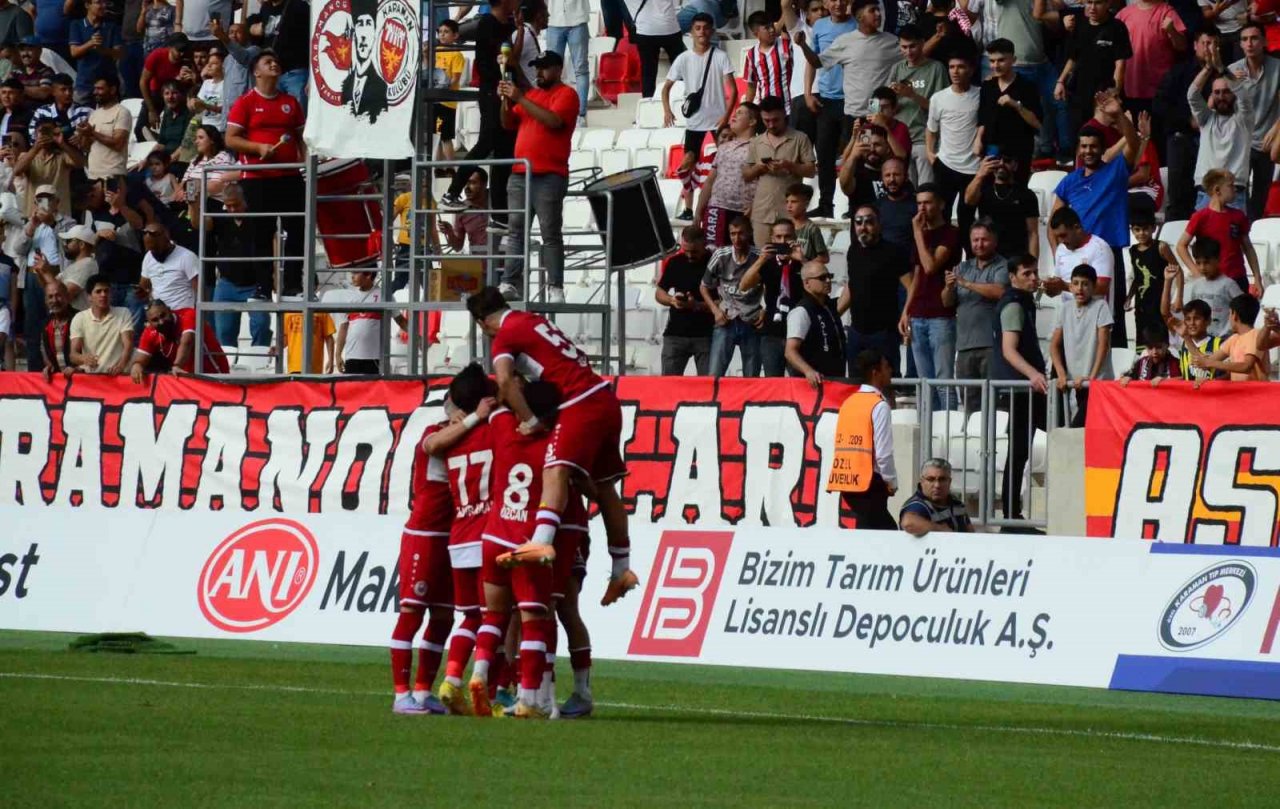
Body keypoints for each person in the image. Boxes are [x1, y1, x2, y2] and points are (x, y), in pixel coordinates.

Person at [464, 286, 638, 607]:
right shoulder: (531, 319)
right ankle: (621, 569)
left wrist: (529, 419)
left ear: (483, 322)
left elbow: (503, 381)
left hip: (580, 403)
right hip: (604, 397)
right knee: (605, 489)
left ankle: (541, 542)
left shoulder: (505, 335)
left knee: (554, 470)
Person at [472, 380, 582, 719]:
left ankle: (477, 674)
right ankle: (530, 699)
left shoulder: (504, 426)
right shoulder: (555, 445)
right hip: (526, 545)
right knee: (536, 620)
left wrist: (515, 391)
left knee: (494, 615)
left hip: (493, 538)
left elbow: (501, 391)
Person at [422, 364, 498, 715]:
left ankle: (451, 679)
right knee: (494, 615)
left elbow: (431, 445)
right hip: (490, 535)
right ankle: (480, 676)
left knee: (468, 617)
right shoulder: (495, 431)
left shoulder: (451, 438)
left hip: (460, 535)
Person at [1050, 97, 1141, 345]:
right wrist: (1059, 252)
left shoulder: (1116, 170)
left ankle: (1111, 371)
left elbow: (1134, 143)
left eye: (1093, 146)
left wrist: (1119, 115)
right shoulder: (1071, 180)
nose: (1088, 151)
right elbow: (1054, 219)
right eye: (1084, 146)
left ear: (1102, 149)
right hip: (1077, 252)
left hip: (1108, 252)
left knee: (1111, 315)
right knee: (1076, 314)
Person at [386, 408, 457, 716]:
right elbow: (432, 446)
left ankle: (423, 690)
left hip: (455, 537)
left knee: (444, 617)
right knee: (412, 612)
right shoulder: (433, 432)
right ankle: (401, 695)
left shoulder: (472, 436)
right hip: (424, 535)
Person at [497, 49, 577, 302]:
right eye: (537, 68)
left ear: (558, 69)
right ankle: (510, 282)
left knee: (549, 232)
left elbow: (553, 122)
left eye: (544, 68)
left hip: (549, 174)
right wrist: (505, 101)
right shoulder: (532, 94)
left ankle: (555, 286)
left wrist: (519, 98)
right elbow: (507, 123)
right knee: (516, 231)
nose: (539, 72)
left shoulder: (567, 94)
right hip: (521, 172)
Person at [225, 49, 305, 296]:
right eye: (267, 62)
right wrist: (257, 147)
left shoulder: (291, 102)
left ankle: (293, 285)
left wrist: (306, 164)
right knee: (261, 233)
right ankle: (262, 286)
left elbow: (302, 138)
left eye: (276, 61)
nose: (274, 64)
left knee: (298, 229)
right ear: (256, 72)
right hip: (258, 178)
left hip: (289, 176)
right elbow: (230, 139)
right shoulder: (245, 102)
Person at [438, 0, 516, 221]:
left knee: (504, 151)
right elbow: (489, 62)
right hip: (492, 93)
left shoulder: (506, 24)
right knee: (487, 143)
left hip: (499, 91)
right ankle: (452, 192)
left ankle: (500, 216)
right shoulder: (487, 24)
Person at [990, 255, 1046, 530]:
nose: (1034, 278)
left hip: (1025, 388)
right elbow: (1008, 349)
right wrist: (1033, 374)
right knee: (1018, 453)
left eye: (1035, 272)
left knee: (1020, 452)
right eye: (1027, 273)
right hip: (1021, 389)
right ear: (1013, 277)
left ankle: (1013, 516)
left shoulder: (1023, 302)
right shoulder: (1013, 304)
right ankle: (1011, 517)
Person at [662, 14, 736, 222]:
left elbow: (732, 90)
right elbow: (666, 87)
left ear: (711, 31)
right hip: (695, 121)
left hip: (718, 120)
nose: (702, 32)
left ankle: (725, 204)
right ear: (692, 31)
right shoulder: (683, 58)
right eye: (697, 28)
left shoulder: (720, 56)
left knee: (726, 164)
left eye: (705, 28)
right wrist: (667, 110)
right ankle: (688, 208)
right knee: (688, 164)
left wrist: (725, 117)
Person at [900, 183, 959, 405]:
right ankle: (929, 434)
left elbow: (930, 266)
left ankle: (947, 432)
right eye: (919, 203)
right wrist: (906, 310)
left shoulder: (951, 234)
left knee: (944, 382)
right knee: (925, 383)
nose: (922, 208)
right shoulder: (921, 235)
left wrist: (917, 233)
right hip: (918, 314)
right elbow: (917, 276)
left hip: (941, 315)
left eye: (927, 202)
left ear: (941, 204)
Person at [826, 348, 898, 529]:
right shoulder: (879, 405)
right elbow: (883, 453)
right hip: (870, 483)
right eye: (887, 367)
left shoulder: (849, 402)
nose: (891, 371)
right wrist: (891, 481)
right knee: (885, 534)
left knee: (867, 529)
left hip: (847, 481)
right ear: (876, 373)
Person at [798, 0, 857, 218]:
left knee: (852, 155)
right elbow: (811, 61)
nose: (838, 3)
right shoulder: (820, 26)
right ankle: (826, 204)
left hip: (852, 99)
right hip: (826, 99)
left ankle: (854, 205)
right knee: (824, 154)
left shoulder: (857, 24)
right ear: (825, 2)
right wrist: (807, 93)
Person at [797, 0, 899, 123]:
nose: (878, 14)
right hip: (853, 113)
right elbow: (817, 63)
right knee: (847, 143)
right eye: (872, 10)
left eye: (878, 10)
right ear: (859, 17)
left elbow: (916, 55)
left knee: (875, 142)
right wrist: (803, 45)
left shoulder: (892, 41)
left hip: (878, 113)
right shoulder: (845, 41)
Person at [1155, 26, 1216, 221]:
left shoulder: (1225, 74)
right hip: (1182, 138)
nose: (1209, 49)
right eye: (1205, 43)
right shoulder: (1179, 71)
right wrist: (1188, 121)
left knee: (1210, 195)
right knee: (1179, 197)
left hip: (1215, 142)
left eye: (1214, 44)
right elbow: (1160, 105)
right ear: (1195, 45)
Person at [844, 203, 912, 370]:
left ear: (879, 224)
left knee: (887, 385)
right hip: (857, 331)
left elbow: (911, 287)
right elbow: (852, 286)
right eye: (858, 222)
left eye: (869, 222)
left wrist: (906, 315)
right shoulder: (853, 251)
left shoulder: (893, 251)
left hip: (884, 332)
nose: (863, 227)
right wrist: (834, 314)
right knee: (855, 388)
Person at [205, 182, 271, 350]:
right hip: (227, 284)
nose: (232, 209)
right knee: (224, 333)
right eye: (228, 206)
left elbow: (275, 241)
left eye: (236, 205)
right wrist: (193, 202)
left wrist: (275, 278)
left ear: (244, 201)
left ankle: (260, 364)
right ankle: (227, 370)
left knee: (261, 326)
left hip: (256, 284)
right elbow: (200, 225)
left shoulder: (258, 219)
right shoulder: (220, 219)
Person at [743, 96, 815, 248]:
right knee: (762, 258)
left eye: (775, 120)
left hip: (790, 213)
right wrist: (759, 168)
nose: (771, 124)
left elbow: (811, 171)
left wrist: (789, 165)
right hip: (762, 212)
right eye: (766, 121)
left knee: (790, 259)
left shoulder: (800, 138)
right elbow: (746, 175)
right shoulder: (756, 142)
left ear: (784, 114)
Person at [1177, 169, 1263, 295]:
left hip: (1237, 277)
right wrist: (1196, 272)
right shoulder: (1201, 217)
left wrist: (1257, 277)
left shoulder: (1238, 216)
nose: (1235, 189)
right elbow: (1181, 246)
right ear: (1217, 190)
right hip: (1212, 279)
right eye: (1231, 185)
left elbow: (1248, 247)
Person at [1049, 264, 1113, 427]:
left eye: (1085, 284)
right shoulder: (1065, 308)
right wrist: (1061, 373)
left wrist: (1092, 377)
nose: (1080, 288)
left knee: (1082, 426)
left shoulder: (1100, 306)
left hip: (1097, 383)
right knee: (1077, 429)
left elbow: (1103, 345)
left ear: (1093, 287)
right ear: (1070, 286)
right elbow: (1054, 345)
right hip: (1075, 382)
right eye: (1076, 283)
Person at [1058, 0, 1132, 140]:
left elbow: (1120, 64)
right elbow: (1073, 58)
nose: (1092, 7)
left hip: (1104, 93)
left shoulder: (1117, 27)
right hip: (1079, 91)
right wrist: (1061, 81)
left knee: (1106, 136)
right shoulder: (1079, 24)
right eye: (1089, 2)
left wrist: (1115, 90)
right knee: (1079, 136)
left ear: (1108, 4)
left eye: (1097, 3)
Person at [739, 218, 805, 376]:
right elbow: (743, 285)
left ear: (794, 238)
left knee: (799, 383)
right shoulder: (767, 263)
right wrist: (761, 260)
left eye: (787, 237)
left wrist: (802, 259)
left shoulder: (803, 263)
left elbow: (818, 283)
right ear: (772, 239)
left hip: (798, 333)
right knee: (773, 382)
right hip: (771, 333)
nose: (783, 241)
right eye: (778, 237)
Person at [1225, 24, 1278, 219]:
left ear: (1264, 42)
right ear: (1240, 44)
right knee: (1238, 190)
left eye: (1254, 38)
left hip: (1267, 139)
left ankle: (1254, 231)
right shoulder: (1232, 70)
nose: (1249, 43)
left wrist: (1276, 128)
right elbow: (1221, 109)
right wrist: (1232, 87)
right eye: (1245, 39)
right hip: (1240, 140)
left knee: (1261, 193)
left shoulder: (1277, 67)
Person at [951, 219, 1008, 395]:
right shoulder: (963, 266)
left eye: (984, 240)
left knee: (992, 401)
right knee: (969, 402)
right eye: (975, 240)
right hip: (964, 346)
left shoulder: (1003, 265)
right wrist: (947, 287)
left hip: (990, 345)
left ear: (995, 241)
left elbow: (999, 291)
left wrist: (966, 283)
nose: (979, 244)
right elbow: (947, 302)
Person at [926, 55, 980, 240]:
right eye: (951, 67)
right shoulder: (938, 98)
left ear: (971, 70)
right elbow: (931, 130)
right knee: (941, 218)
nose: (955, 71)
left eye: (960, 67)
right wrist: (930, 153)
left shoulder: (981, 95)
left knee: (967, 220)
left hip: (973, 168)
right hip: (945, 165)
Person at [701, 215, 764, 376]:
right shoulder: (721, 255)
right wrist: (715, 311)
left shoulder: (760, 257)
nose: (736, 238)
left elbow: (771, 286)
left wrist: (765, 309)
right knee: (715, 374)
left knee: (752, 376)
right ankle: (713, 401)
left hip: (752, 319)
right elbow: (704, 287)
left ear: (750, 233)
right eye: (732, 234)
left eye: (741, 233)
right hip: (726, 319)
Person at [889, 23, 948, 186]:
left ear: (923, 43)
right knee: (904, 190)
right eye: (904, 47)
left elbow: (942, 109)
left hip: (925, 139)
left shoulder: (937, 68)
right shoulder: (896, 69)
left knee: (926, 190)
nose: (908, 52)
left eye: (913, 46)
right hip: (899, 140)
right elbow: (882, 100)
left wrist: (912, 95)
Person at [1188, 62, 1252, 212]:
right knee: (1204, 237)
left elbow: (1243, 95)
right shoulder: (1205, 119)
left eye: (1226, 92)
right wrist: (1208, 67)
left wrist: (1223, 70)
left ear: (1234, 93)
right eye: (1216, 92)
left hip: (1235, 194)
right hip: (1206, 193)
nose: (1221, 97)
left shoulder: (1244, 119)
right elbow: (1192, 94)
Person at [695, 103, 759, 248]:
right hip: (716, 208)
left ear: (752, 121)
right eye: (735, 112)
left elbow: (764, 181)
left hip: (744, 212)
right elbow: (710, 181)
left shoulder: (760, 146)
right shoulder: (723, 148)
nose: (734, 115)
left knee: (742, 255)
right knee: (714, 254)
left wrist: (754, 206)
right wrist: (699, 211)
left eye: (740, 113)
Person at [977, 39, 1041, 182]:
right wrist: (977, 140)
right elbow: (983, 117)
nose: (996, 65)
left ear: (1013, 60)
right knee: (990, 191)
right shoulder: (988, 86)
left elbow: (1037, 123)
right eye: (992, 61)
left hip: (1019, 150)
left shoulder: (1027, 87)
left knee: (1018, 190)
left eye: (1001, 60)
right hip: (992, 149)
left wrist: (1016, 105)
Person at [656, 225, 714, 375]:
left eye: (694, 252)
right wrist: (672, 300)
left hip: (706, 335)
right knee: (669, 386)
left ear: (703, 243)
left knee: (708, 389)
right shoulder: (675, 262)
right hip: (675, 333)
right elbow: (659, 293)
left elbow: (724, 302)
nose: (689, 255)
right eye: (685, 250)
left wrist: (697, 305)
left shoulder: (715, 262)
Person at [129, 298, 228, 381]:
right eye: (155, 320)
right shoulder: (149, 332)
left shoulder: (188, 314)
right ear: (149, 323)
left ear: (169, 310)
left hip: (214, 373)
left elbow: (187, 342)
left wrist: (177, 365)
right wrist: (137, 366)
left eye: (163, 315)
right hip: (185, 377)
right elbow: (140, 359)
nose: (161, 321)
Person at [963, 151, 1038, 261]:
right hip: (988, 255)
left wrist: (1034, 263)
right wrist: (980, 174)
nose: (1001, 164)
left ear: (1015, 165)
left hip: (1016, 257)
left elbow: (1033, 233)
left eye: (1007, 160)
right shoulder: (983, 190)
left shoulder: (1027, 195)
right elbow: (968, 200)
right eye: (997, 160)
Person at [1186, 294, 1275, 381]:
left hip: (1256, 394)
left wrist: (1210, 363)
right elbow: (1206, 360)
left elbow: (1246, 367)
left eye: (1229, 313)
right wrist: (1186, 336)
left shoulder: (1255, 334)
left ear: (1234, 315)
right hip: (1240, 394)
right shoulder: (1234, 338)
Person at [785, 259, 845, 385]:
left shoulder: (828, 307)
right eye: (822, 278)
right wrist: (808, 371)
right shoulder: (801, 312)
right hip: (813, 385)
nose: (828, 281)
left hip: (834, 380)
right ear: (807, 283)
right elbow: (790, 351)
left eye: (829, 276)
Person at [1126, 206, 1178, 350]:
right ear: (1132, 231)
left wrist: (1178, 297)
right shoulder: (1133, 251)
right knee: (1142, 341)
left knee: (1160, 338)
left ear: (1153, 228)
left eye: (1145, 229)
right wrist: (1129, 297)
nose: (1141, 233)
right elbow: (1137, 277)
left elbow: (1177, 269)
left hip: (1159, 303)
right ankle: (1143, 368)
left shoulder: (1161, 247)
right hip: (1141, 304)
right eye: (1137, 229)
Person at [1160, 274, 1227, 384]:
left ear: (1208, 321)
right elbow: (1165, 314)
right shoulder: (1182, 340)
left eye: (1197, 319)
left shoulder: (1220, 344)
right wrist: (1168, 281)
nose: (1192, 323)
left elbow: (1228, 375)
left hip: (1211, 398)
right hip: (1189, 399)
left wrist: (1211, 384)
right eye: (1188, 319)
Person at [336, 269, 405, 375]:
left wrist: (417, 336)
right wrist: (338, 354)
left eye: (356, 273)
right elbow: (343, 327)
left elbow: (400, 320)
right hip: (351, 357)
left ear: (368, 275)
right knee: (352, 390)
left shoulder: (384, 296)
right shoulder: (349, 297)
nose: (352, 276)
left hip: (375, 358)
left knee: (373, 390)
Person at [245, 0, 310, 106]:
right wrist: (251, 26)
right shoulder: (266, 7)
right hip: (272, 73)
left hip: (295, 71)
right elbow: (253, 21)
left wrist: (311, 77)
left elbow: (311, 38)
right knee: (273, 114)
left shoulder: (298, 6)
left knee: (297, 114)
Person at [69, 274, 135, 374]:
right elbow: (73, 355)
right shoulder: (79, 318)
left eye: (106, 291)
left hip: (118, 377)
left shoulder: (123, 313)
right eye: (98, 291)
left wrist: (120, 366)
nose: (103, 294)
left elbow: (128, 344)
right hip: (93, 379)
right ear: (89, 297)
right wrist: (84, 359)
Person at [898, 457, 974, 536]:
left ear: (949, 481)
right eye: (931, 479)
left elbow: (971, 534)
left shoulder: (957, 504)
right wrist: (940, 529)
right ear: (922, 481)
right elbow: (908, 523)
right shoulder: (918, 505)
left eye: (942, 479)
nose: (937, 485)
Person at [340, 0, 388, 123]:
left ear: (375, 32)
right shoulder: (346, 85)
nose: (363, 35)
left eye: (368, 24)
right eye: (360, 24)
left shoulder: (381, 87)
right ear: (354, 32)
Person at [69, 0, 124, 105]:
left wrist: (102, 50)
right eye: (98, 2)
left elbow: (119, 53)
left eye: (105, 2)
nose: (103, 6)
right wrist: (90, 43)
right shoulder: (77, 25)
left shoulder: (112, 27)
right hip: (84, 84)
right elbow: (74, 52)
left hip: (107, 86)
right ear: (87, 5)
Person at [77, 75, 131, 182]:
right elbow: (85, 147)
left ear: (112, 90)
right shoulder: (94, 114)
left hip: (113, 175)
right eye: (95, 88)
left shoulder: (122, 112)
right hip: (93, 175)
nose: (95, 92)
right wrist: (83, 134)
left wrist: (92, 132)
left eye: (100, 89)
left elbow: (118, 144)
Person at [625, 0, 682, 98]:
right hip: (670, 26)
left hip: (645, 30)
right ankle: (684, 99)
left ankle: (648, 104)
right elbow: (676, 5)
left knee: (648, 74)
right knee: (681, 70)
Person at [545, 0, 590, 124]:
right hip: (554, 20)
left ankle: (581, 114)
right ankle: (554, 109)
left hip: (577, 19)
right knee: (551, 70)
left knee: (581, 69)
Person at [138, 220, 198, 311]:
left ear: (167, 240)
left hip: (183, 310)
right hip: (159, 312)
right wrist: (141, 292)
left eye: (156, 248)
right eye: (151, 249)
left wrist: (197, 314)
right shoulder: (149, 256)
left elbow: (200, 289)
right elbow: (144, 285)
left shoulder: (187, 256)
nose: (154, 252)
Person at [742, 10, 793, 113]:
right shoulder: (751, 55)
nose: (772, 30)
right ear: (756, 33)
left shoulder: (787, 45)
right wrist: (747, 110)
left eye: (772, 26)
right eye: (767, 28)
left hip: (788, 108)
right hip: (765, 111)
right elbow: (751, 86)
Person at [140, 33, 193, 128]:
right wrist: (151, 110)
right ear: (170, 47)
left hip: (176, 93)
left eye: (184, 50)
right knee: (140, 129)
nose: (181, 53)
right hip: (156, 92)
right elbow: (143, 82)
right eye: (178, 50)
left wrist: (187, 80)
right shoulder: (157, 56)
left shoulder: (187, 59)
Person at [431, 19, 464, 166]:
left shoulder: (456, 55)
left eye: (446, 32)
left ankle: (450, 168)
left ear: (455, 35)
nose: (442, 35)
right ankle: (435, 168)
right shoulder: (435, 51)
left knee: (445, 137)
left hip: (447, 101)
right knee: (434, 137)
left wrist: (443, 86)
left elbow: (455, 79)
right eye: (440, 32)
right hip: (434, 99)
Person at [438, 168, 490, 255]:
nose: (467, 187)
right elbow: (458, 247)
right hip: (477, 264)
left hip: (505, 262)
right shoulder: (461, 209)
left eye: (472, 182)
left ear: (484, 184)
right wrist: (450, 231)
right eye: (465, 183)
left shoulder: (499, 201)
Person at [28, 73, 91, 143]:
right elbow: (33, 139)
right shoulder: (42, 112)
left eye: (70, 89)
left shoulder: (84, 112)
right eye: (63, 90)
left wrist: (83, 137)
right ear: (53, 92)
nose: (68, 93)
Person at [874, 156, 915, 250]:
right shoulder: (875, 208)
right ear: (882, 179)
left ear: (906, 177)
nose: (892, 179)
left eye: (896, 174)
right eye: (887, 175)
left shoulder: (917, 206)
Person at [38, 278, 76, 379]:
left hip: (82, 379)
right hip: (59, 383)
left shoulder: (79, 318)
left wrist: (77, 368)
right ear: (46, 301)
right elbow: (43, 349)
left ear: (67, 297)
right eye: (50, 297)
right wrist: (49, 366)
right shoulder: (45, 324)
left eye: (58, 295)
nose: (54, 300)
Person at [55, 224, 98, 310]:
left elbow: (66, 295)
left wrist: (46, 272)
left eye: (69, 241)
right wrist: (42, 271)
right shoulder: (75, 265)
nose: (65, 245)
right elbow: (52, 287)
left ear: (81, 244)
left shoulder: (87, 264)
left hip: (80, 318)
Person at [784, 183, 828, 262]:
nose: (789, 205)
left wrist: (806, 262)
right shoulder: (783, 226)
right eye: (787, 201)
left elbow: (824, 258)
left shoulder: (812, 229)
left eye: (794, 202)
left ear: (806, 204)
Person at [191, 45, 225, 131]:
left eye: (214, 64)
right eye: (208, 63)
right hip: (205, 125)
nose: (209, 66)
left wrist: (205, 105)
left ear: (223, 66)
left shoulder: (226, 84)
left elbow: (224, 109)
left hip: (218, 127)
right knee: (192, 123)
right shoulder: (206, 83)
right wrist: (193, 104)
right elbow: (199, 107)